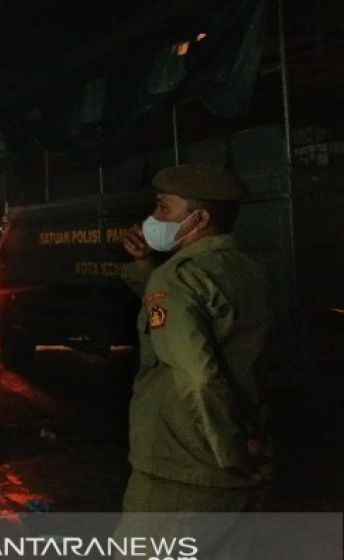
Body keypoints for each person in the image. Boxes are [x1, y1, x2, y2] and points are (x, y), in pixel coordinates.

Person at [118, 165, 273, 513]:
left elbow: (198, 376)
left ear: (199, 219)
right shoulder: (248, 269)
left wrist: (230, 450)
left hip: (183, 471)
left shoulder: (176, 278)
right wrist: (146, 268)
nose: (152, 217)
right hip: (247, 464)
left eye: (163, 207)